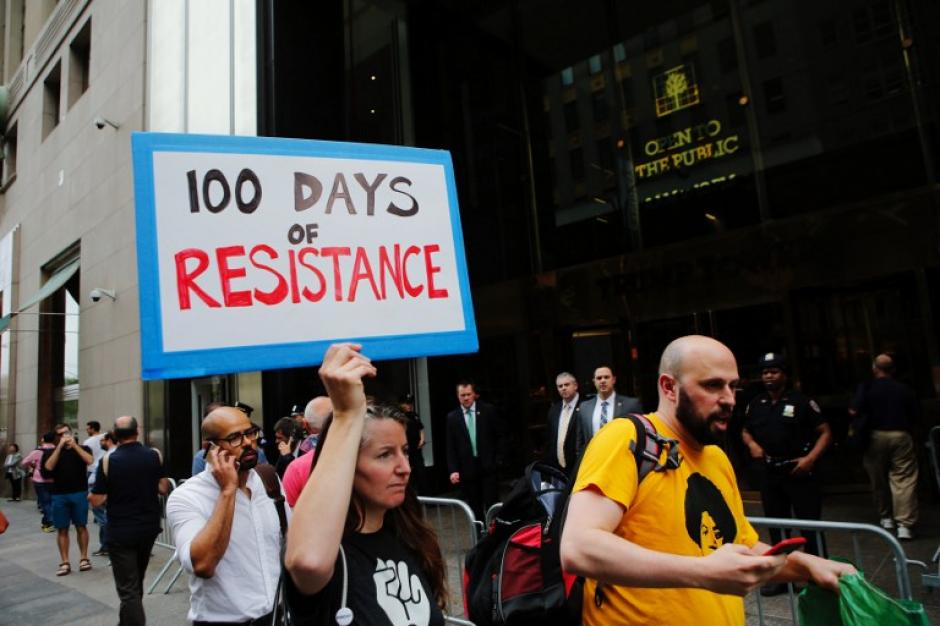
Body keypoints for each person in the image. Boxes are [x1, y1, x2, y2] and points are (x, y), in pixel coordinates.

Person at [560, 335, 854, 626]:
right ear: (669, 387)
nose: (729, 399)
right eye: (713, 385)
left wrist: (806, 565)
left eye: (733, 386)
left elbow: (743, 547)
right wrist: (704, 572)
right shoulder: (623, 436)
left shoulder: (717, 458)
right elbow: (578, 547)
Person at [284, 343, 447, 625]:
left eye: (405, 452)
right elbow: (308, 562)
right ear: (347, 465)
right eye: (385, 455)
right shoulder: (330, 553)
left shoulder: (411, 539)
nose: (405, 468)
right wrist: (346, 415)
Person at [166, 406, 286, 625]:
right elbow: (203, 564)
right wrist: (228, 490)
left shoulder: (268, 480)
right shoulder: (186, 497)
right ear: (210, 448)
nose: (248, 442)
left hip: (277, 616)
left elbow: (290, 540)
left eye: (250, 433)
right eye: (234, 438)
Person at [741, 353, 831, 595]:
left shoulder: (801, 402)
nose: (768, 376)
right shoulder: (756, 403)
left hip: (799, 471)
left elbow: (825, 432)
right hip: (771, 473)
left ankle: (818, 578)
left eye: (774, 371)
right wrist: (752, 444)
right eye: (765, 372)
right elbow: (745, 430)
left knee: (809, 527)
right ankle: (781, 578)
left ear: (784, 375)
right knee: (777, 529)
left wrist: (810, 459)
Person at [89, 416, 170, 626]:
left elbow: (96, 500)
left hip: (121, 530)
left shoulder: (108, 460)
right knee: (135, 582)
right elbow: (163, 488)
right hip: (148, 528)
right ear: (137, 431)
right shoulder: (154, 455)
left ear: (115, 435)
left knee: (128, 589)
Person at [849, 353, 920, 540]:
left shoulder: (867, 388)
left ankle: (886, 516)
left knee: (878, 477)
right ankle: (904, 524)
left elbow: (854, 410)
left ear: (874, 369)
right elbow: (915, 414)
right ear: (893, 370)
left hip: (875, 435)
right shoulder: (904, 389)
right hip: (900, 434)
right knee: (903, 479)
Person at [42, 423, 94, 576]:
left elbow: (90, 460)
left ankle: (84, 558)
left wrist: (74, 446)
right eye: (59, 434)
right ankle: (65, 562)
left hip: (79, 493)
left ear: (71, 433)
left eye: (65, 433)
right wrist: (59, 447)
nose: (63, 436)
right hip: (59, 495)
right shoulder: (50, 452)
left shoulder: (83, 448)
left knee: (81, 526)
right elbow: (48, 467)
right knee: (62, 528)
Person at [446, 380, 500, 519]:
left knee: (492, 506)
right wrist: (453, 470)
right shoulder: (453, 417)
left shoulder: (488, 410)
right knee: (475, 507)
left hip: (488, 467)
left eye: (468, 394)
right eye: (462, 395)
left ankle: (494, 531)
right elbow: (451, 446)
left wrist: (498, 460)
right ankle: (479, 531)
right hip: (468, 470)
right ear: (458, 396)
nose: (466, 398)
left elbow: (499, 436)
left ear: (474, 394)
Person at [575, 366, 642, 460]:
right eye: (599, 378)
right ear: (594, 382)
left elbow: (640, 435)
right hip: (594, 460)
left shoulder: (631, 405)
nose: (602, 381)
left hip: (621, 460)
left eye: (606, 377)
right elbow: (580, 440)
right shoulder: (584, 407)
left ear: (613, 380)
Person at [283, 397, 333, 507]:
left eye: (296, 417)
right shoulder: (361, 457)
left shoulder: (296, 469)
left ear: (305, 424)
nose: (295, 420)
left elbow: (290, 513)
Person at [544, 372, 582, 475]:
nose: (563, 388)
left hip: (580, 466)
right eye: (560, 386)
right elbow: (550, 440)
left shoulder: (586, 406)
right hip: (558, 469)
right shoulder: (554, 410)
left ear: (575, 386)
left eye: (567, 385)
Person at [21, 432, 56, 531]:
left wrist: (34, 465)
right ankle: (47, 521)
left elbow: (24, 462)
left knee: (45, 502)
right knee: (52, 501)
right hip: (54, 479)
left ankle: (50, 522)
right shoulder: (57, 450)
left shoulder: (37, 451)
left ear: (43, 439)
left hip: (40, 479)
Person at [88, 431, 115, 557]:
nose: (100, 443)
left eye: (103, 440)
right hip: (101, 491)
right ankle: (106, 546)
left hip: (102, 492)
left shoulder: (110, 456)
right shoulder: (108, 455)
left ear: (109, 440)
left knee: (104, 520)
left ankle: (107, 546)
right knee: (103, 520)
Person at [399, 393, 428, 494]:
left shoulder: (414, 415)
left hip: (416, 449)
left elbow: (421, 428)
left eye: (410, 403)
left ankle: (425, 496)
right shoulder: (399, 417)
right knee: (407, 474)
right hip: (406, 451)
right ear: (401, 404)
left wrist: (422, 439)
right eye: (407, 403)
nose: (409, 406)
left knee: (421, 473)